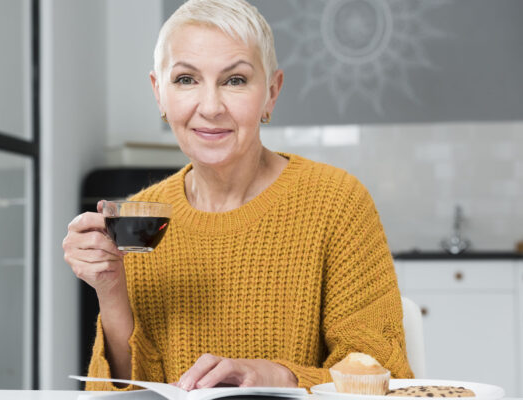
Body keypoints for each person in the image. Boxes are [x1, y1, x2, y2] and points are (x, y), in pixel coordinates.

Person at [62, 0, 414, 391]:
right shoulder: (140, 221)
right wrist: (111, 290)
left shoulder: (337, 203)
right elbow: (124, 393)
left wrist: (277, 378)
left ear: (271, 93)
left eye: (235, 80)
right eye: (185, 80)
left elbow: (385, 374)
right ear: (159, 92)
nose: (211, 107)